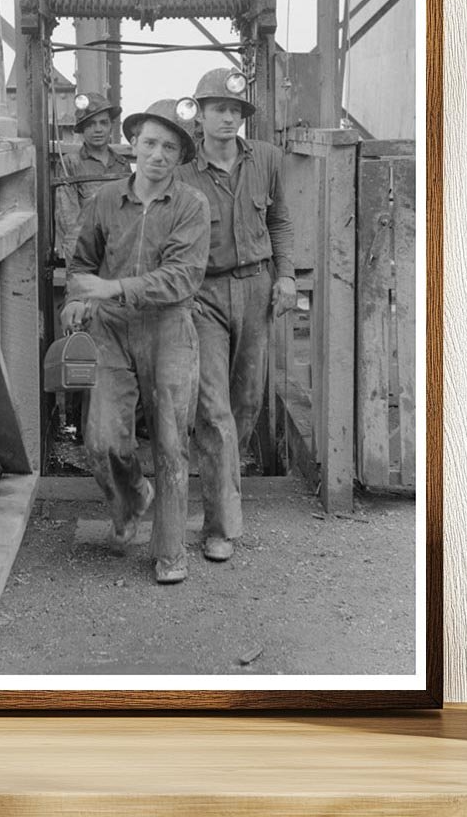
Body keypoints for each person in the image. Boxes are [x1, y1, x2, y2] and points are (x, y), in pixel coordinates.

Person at [62, 100, 210, 584]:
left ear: (181, 155)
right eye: (149, 143)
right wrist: (76, 297)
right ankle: (131, 499)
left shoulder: (191, 205)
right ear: (134, 144)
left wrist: (113, 288)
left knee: (171, 441)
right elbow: (82, 261)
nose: (158, 154)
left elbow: (182, 277)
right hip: (110, 330)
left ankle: (170, 551)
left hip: (168, 328)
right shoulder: (106, 199)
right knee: (102, 440)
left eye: (170, 147)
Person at [177, 68, 296, 563]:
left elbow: (279, 220)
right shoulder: (183, 172)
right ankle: (220, 525)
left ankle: (222, 482)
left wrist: (286, 276)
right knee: (214, 408)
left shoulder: (267, 158)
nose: (229, 118)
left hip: (256, 287)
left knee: (246, 402)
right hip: (202, 294)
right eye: (218, 110)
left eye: (236, 110)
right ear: (199, 116)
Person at [58, 92, 132, 261]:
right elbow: (68, 222)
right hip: (85, 251)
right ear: (82, 130)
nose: (98, 129)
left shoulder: (122, 165)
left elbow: (131, 215)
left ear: (111, 127)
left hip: (118, 249)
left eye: (103, 123)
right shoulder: (70, 164)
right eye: (91, 124)